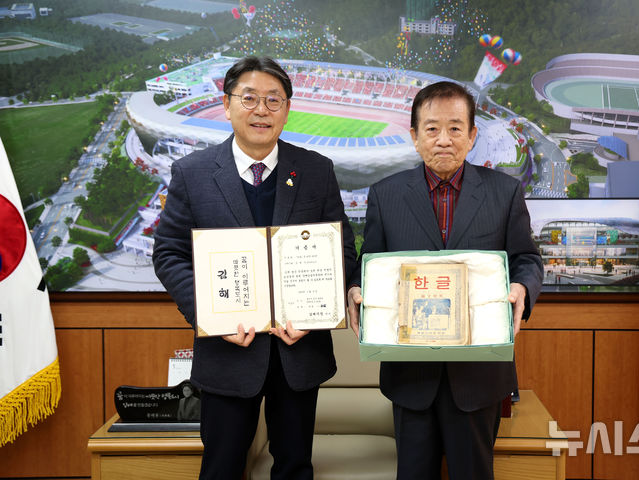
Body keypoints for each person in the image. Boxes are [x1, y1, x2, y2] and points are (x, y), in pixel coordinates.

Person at [153, 56, 356, 480]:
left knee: (295, 467)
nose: (261, 110)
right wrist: (210, 316)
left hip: (298, 353)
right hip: (227, 353)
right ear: (226, 106)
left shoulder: (316, 171)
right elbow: (169, 254)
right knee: (222, 467)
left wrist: (316, 313)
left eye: (273, 100)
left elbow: (343, 253)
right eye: (249, 98)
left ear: (286, 109)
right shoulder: (192, 174)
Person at [347, 81, 543, 480]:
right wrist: (356, 287)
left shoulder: (504, 193)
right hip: (410, 375)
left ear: (472, 136)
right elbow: (370, 264)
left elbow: (526, 259)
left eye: (455, 128)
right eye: (432, 128)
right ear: (414, 136)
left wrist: (523, 286)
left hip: (478, 376)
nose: (443, 140)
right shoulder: (386, 194)